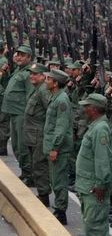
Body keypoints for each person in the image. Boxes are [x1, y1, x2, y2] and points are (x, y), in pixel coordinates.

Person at [76, 93, 112, 236]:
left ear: (94, 109)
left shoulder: (100, 129)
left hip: (94, 187)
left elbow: (102, 160)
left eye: (87, 106)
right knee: (90, 226)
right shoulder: (95, 127)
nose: (84, 110)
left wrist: (101, 184)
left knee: (95, 227)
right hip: (88, 185)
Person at [43, 69, 73, 225]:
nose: (46, 80)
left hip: (59, 149)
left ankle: (61, 212)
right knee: (55, 180)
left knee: (59, 180)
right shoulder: (55, 97)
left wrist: (55, 148)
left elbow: (61, 126)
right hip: (53, 147)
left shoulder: (62, 100)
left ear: (55, 84)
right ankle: (59, 208)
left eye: (49, 79)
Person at [1, 45, 34, 184]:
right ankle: (24, 172)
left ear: (29, 58)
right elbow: (7, 86)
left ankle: (30, 175)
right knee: (15, 145)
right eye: (18, 54)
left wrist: (28, 115)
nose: (19, 57)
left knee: (22, 146)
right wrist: (4, 75)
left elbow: (30, 95)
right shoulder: (18, 71)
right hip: (13, 112)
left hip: (22, 113)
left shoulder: (28, 74)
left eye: (23, 55)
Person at [24, 63, 51, 206]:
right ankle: (42, 193)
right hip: (32, 135)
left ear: (43, 76)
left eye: (35, 74)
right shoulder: (36, 90)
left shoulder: (43, 91)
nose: (32, 76)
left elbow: (50, 112)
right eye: (31, 74)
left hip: (39, 135)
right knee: (36, 165)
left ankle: (44, 195)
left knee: (40, 165)